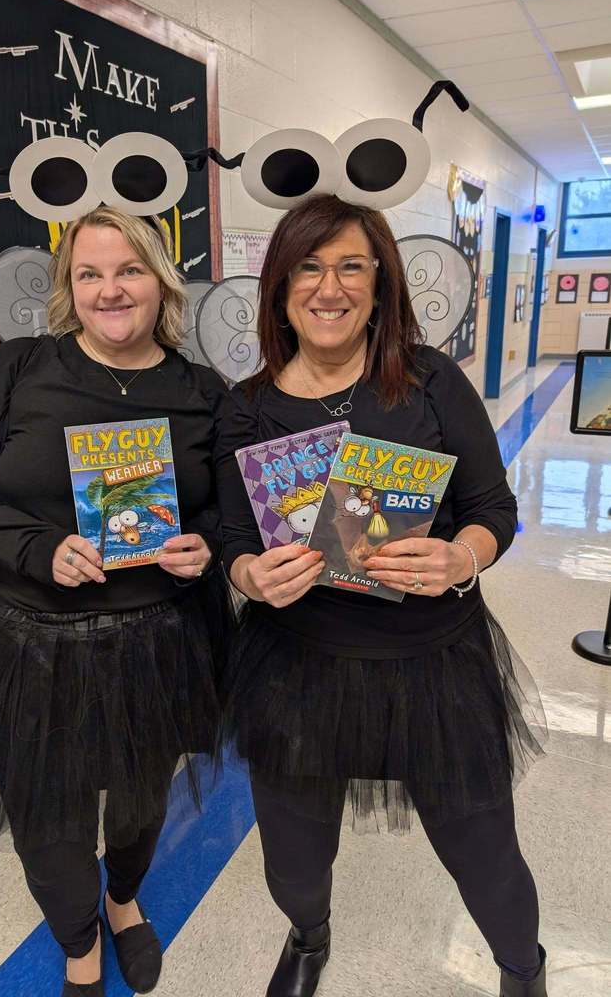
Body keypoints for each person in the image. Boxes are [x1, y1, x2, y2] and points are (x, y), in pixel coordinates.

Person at [216, 194, 549, 997]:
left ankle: (521, 968)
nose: (328, 287)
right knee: (293, 855)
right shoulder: (246, 407)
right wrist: (248, 576)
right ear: (278, 285)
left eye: (350, 265)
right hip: (298, 664)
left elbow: (491, 510)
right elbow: (231, 540)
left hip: (431, 656)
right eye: (307, 265)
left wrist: (458, 559)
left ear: (380, 283)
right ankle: (308, 934)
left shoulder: (429, 381)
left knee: (483, 850)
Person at [0, 207, 232, 997]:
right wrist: (34, 547)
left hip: (157, 639)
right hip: (30, 640)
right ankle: (79, 939)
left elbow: (229, 511)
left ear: (159, 283)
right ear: (68, 288)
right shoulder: (21, 369)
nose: (109, 289)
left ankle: (124, 901)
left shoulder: (203, 390)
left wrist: (207, 545)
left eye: (127, 269)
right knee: (47, 819)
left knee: (136, 804)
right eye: (88, 273)